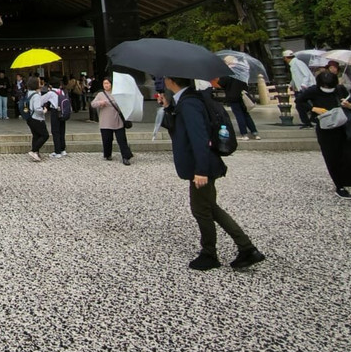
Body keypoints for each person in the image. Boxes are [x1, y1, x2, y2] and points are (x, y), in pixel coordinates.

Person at [158, 77, 265, 271]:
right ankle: (246, 248)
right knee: (210, 207)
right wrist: (167, 107)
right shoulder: (187, 100)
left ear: (171, 81)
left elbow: (199, 137)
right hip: (204, 163)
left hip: (202, 165)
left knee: (201, 209)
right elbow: (180, 129)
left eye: (166, 77)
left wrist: (201, 170)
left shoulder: (189, 103)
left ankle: (211, 253)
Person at [295, 70, 351, 204]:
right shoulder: (313, 91)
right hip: (326, 130)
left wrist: (349, 105)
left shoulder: (340, 90)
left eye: (330, 86)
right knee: (332, 158)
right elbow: (299, 101)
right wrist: (313, 109)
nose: (328, 88)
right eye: (325, 86)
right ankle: (340, 186)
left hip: (343, 128)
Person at [90, 77, 135, 164]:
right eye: (104, 83)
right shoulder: (100, 94)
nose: (106, 85)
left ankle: (126, 157)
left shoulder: (117, 94)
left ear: (111, 84)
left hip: (117, 120)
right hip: (105, 121)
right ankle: (107, 154)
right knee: (107, 139)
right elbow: (93, 104)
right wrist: (100, 103)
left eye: (108, 83)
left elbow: (124, 104)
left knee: (122, 140)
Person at [218, 60, 260, 141]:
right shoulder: (241, 73)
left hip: (233, 97)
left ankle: (244, 134)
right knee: (246, 114)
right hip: (243, 96)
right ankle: (255, 132)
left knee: (239, 115)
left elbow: (221, 84)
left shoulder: (227, 74)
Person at [283, 50, 317, 128]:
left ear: (286, 58)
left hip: (305, 88)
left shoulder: (297, 63)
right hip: (300, 88)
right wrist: (291, 84)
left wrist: (303, 85)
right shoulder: (293, 64)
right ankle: (308, 121)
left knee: (301, 103)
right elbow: (295, 77)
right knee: (300, 105)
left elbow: (306, 75)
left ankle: (313, 116)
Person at [23, 76, 51, 162]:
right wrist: (44, 111)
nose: (41, 83)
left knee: (36, 135)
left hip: (30, 118)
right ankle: (34, 150)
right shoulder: (36, 95)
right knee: (45, 135)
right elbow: (37, 108)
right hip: (37, 118)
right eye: (39, 82)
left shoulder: (29, 92)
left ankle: (36, 153)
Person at [45, 77, 69, 158]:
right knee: (62, 131)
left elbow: (42, 100)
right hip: (62, 112)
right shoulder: (62, 91)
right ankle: (63, 150)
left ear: (51, 85)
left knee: (55, 131)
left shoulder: (51, 93)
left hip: (55, 112)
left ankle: (57, 151)